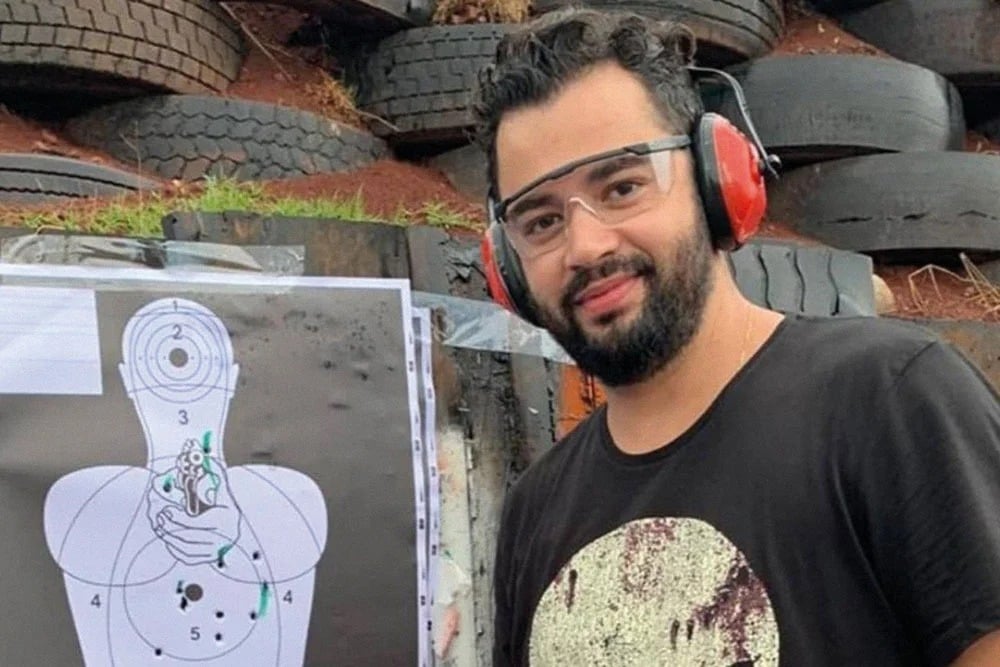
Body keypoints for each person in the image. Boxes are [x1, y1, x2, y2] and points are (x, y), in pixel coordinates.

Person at [471, 8, 1000, 666]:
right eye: (541, 222)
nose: (585, 246)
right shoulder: (533, 512)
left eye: (622, 186)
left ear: (715, 179)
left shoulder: (889, 399)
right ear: (506, 267)